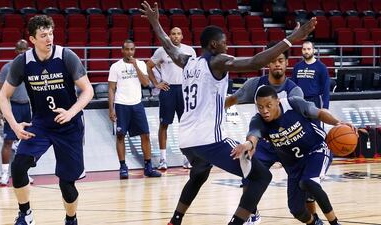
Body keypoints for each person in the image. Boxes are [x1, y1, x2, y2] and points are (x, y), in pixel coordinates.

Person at [140, 2, 317, 224]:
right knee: (262, 176)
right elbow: (255, 62)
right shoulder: (218, 60)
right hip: (210, 139)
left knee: (199, 173)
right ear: (214, 45)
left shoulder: (187, 61)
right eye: (224, 42)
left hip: (186, 139)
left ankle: (175, 220)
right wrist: (293, 37)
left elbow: (167, 45)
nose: (226, 45)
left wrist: (155, 22)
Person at [0, 15, 94, 225]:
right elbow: (3, 96)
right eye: (43, 35)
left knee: (66, 184)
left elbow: (88, 90)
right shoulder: (22, 62)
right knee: (19, 166)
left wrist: (71, 112)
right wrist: (14, 125)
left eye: (51, 33)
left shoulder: (66, 56)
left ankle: (71, 218)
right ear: (32, 39)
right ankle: (26, 214)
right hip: (41, 123)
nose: (49, 38)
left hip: (69, 126)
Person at [232, 85, 351, 225]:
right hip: (293, 165)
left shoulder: (292, 103)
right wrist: (248, 144)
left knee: (309, 182)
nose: (264, 111)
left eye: (268, 105)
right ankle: (315, 222)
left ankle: (335, 223)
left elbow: (318, 112)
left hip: (316, 150)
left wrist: (337, 122)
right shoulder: (258, 120)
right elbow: (253, 135)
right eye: (260, 107)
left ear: (278, 101)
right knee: (297, 210)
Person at [225, 41, 306, 224]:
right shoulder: (255, 84)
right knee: (249, 177)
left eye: (281, 60)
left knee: (306, 186)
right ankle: (251, 214)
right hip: (263, 143)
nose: (277, 64)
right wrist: (215, 109)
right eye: (273, 60)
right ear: (267, 63)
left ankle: (313, 218)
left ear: (287, 64)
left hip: (289, 144)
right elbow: (232, 100)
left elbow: (301, 120)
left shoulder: (294, 90)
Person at [108, 39, 161, 179]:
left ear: (134, 50)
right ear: (122, 50)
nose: (129, 52)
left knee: (146, 135)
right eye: (126, 49)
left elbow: (145, 83)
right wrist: (111, 109)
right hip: (121, 105)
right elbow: (111, 89)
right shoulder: (115, 66)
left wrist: (136, 66)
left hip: (137, 104)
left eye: (131, 49)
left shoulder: (141, 64)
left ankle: (148, 167)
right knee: (120, 136)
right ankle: (123, 167)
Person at [146, 27, 196, 170]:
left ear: (182, 36)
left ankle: (187, 158)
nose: (175, 36)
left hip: (184, 90)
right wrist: (156, 83)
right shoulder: (162, 50)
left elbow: (195, 69)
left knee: (185, 125)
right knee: (164, 125)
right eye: (173, 34)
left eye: (178, 34)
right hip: (168, 90)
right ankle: (163, 159)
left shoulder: (189, 50)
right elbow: (148, 66)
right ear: (169, 36)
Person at [0, 39, 33, 186]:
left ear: (28, 50)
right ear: (15, 50)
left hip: (27, 108)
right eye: (19, 49)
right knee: (8, 141)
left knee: (27, 141)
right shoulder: (8, 67)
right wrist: (0, 110)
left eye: (24, 49)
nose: (22, 52)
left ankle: (25, 173)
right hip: (13, 107)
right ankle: (5, 174)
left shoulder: (32, 67)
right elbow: (0, 90)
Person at [291, 41, 330, 111]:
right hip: (299, 100)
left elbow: (326, 88)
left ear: (314, 50)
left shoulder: (321, 67)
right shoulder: (297, 66)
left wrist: (325, 107)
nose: (306, 51)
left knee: (314, 122)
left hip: (314, 101)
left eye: (309, 49)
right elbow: (293, 86)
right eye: (304, 49)